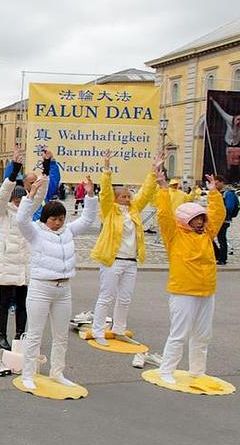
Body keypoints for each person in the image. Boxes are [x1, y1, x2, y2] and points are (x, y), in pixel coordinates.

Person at [15, 174, 98, 390]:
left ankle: (57, 372)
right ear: (45, 219)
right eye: (53, 219)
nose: (58, 222)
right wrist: (30, 197)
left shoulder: (67, 231)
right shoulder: (35, 232)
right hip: (41, 288)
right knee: (35, 334)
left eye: (61, 218)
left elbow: (88, 219)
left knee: (61, 336)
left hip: (63, 289)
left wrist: (90, 195)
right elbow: (21, 220)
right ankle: (28, 374)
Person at [154, 172, 225, 384]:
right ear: (186, 220)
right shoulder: (174, 235)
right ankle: (167, 370)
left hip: (207, 291)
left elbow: (218, 214)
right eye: (197, 219)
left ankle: (197, 370)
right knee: (179, 334)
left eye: (202, 218)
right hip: (183, 291)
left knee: (203, 334)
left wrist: (213, 193)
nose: (201, 222)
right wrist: (162, 187)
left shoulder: (207, 234)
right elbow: (164, 215)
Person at [89, 150, 161, 345]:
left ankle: (119, 329)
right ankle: (98, 331)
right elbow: (105, 193)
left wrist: (153, 172)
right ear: (116, 198)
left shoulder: (134, 210)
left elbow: (145, 193)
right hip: (113, 260)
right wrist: (106, 169)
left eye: (129, 196)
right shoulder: (109, 210)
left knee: (125, 298)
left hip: (131, 261)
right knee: (106, 297)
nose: (128, 199)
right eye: (123, 196)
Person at [0, 147, 31, 350]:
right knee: (4, 302)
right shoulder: (2, 212)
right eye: (17, 198)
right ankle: (1, 335)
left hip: (22, 263)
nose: (19, 201)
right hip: (6, 263)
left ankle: (20, 335)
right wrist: (14, 170)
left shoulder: (27, 213)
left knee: (22, 303)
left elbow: (38, 197)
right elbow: (3, 195)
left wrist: (47, 170)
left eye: (22, 198)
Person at [213, 175, 237, 265]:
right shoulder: (222, 192)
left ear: (222, 182)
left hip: (223, 220)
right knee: (217, 237)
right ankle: (219, 255)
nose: (215, 185)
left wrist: (222, 214)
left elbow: (229, 207)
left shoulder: (228, 193)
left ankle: (222, 258)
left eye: (216, 183)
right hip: (219, 219)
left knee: (221, 239)